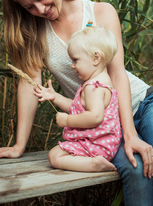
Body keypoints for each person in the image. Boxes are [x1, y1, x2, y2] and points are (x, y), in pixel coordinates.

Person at [0, 0, 153, 206]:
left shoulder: (100, 12)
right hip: (101, 126)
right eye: (29, 7)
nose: (39, 9)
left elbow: (117, 74)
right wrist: (18, 145)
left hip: (143, 105)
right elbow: (29, 86)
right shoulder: (36, 34)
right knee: (136, 172)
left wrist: (131, 134)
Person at [33, 25, 122, 172]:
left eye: (75, 60)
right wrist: (55, 97)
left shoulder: (94, 87)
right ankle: (93, 162)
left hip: (96, 145)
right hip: (100, 143)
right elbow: (77, 108)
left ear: (95, 58)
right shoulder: (100, 82)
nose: (72, 66)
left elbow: (95, 117)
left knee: (54, 156)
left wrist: (67, 121)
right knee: (56, 154)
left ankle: (94, 164)